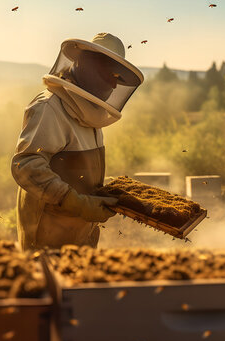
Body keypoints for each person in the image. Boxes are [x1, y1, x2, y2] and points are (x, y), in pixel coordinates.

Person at [11, 33, 144, 250]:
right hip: (46, 234)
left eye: (117, 77)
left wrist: (108, 191)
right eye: (108, 73)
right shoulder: (50, 107)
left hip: (81, 232)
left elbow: (74, 169)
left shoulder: (92, 112)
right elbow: (25, 166)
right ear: (85, 64)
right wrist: (75, 202)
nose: (113, 83)